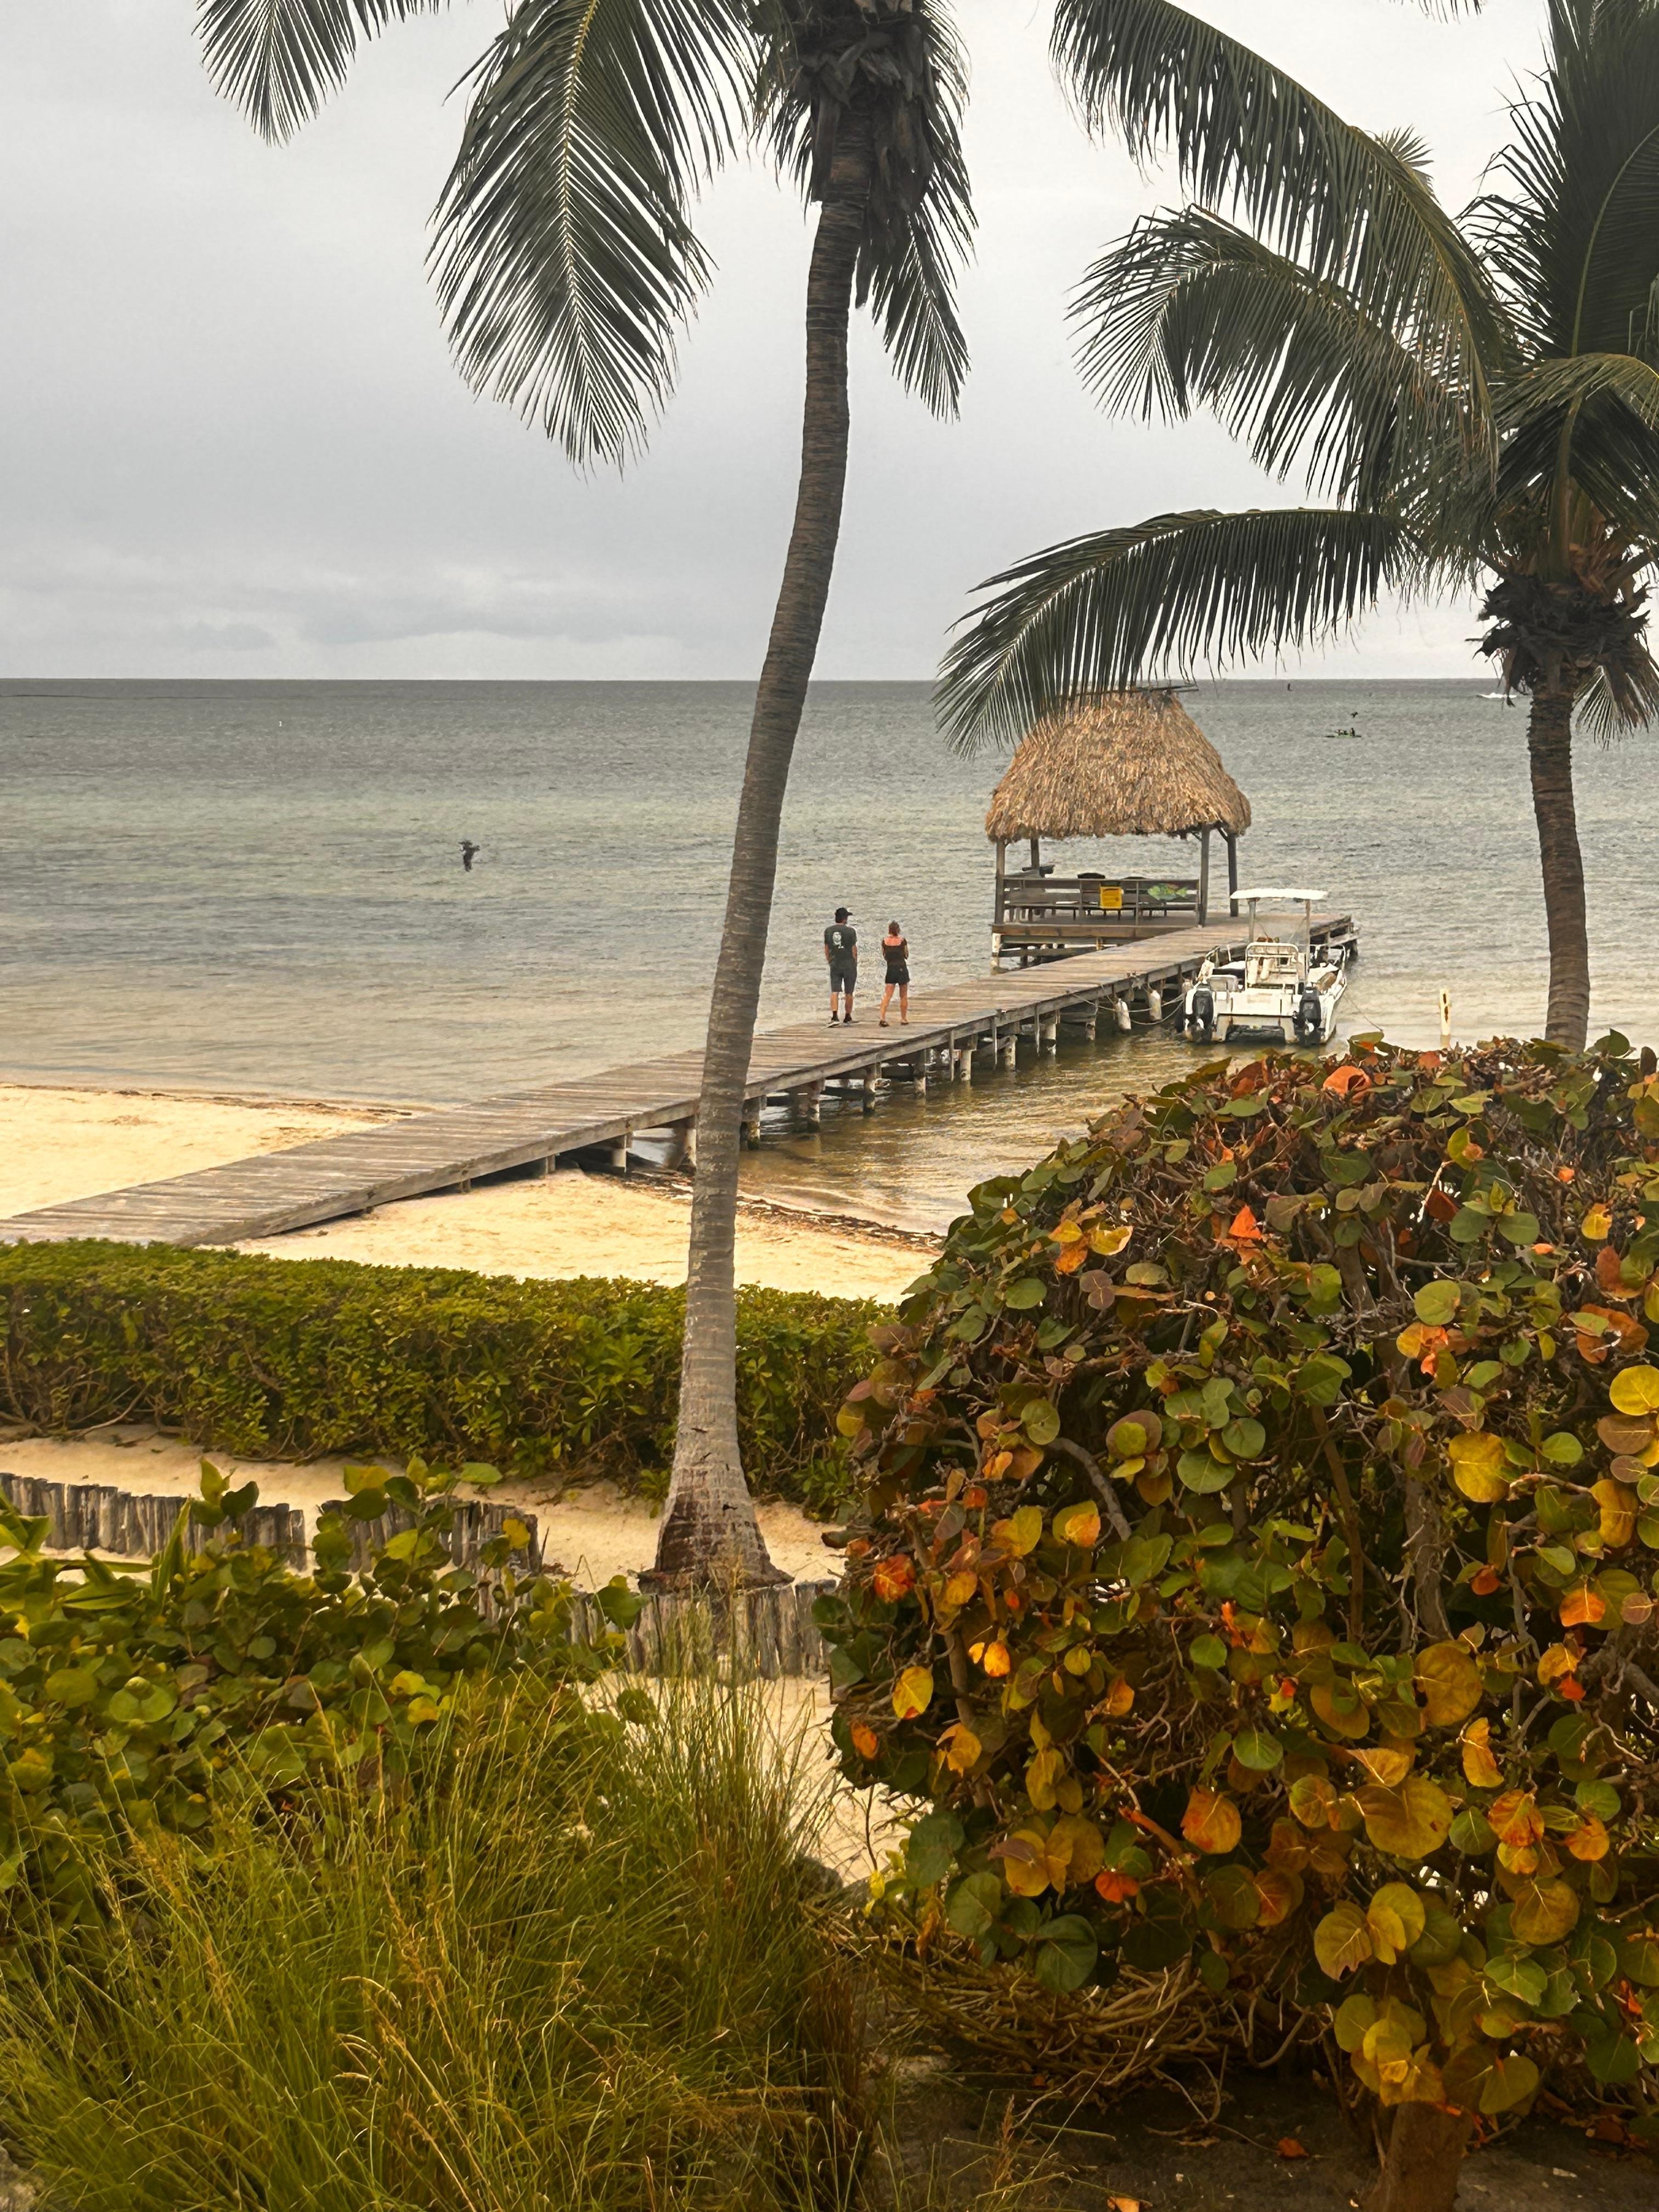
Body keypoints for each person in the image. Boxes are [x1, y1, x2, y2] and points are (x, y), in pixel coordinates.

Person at [824, 907, 857, 1023]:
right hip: (849, 963)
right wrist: (855, 963)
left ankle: (834, 1015)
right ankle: (848, 1016)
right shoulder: (851, 931)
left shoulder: (828, 931)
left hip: (835, 964)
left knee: (835, 990)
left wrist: (830, 961)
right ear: (845, 919)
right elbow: (854, 950)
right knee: (849, 992)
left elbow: (827, 949)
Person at [878, 919, 910, 1026]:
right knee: (904, 995)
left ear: (889, 930)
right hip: (901, 968)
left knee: (887, 995)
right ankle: (903, 1018)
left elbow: (885, 956)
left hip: (891, 968)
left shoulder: (885, 941)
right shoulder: (902, 941)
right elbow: (906, 955)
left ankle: (882, 1017)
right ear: (898, 930)